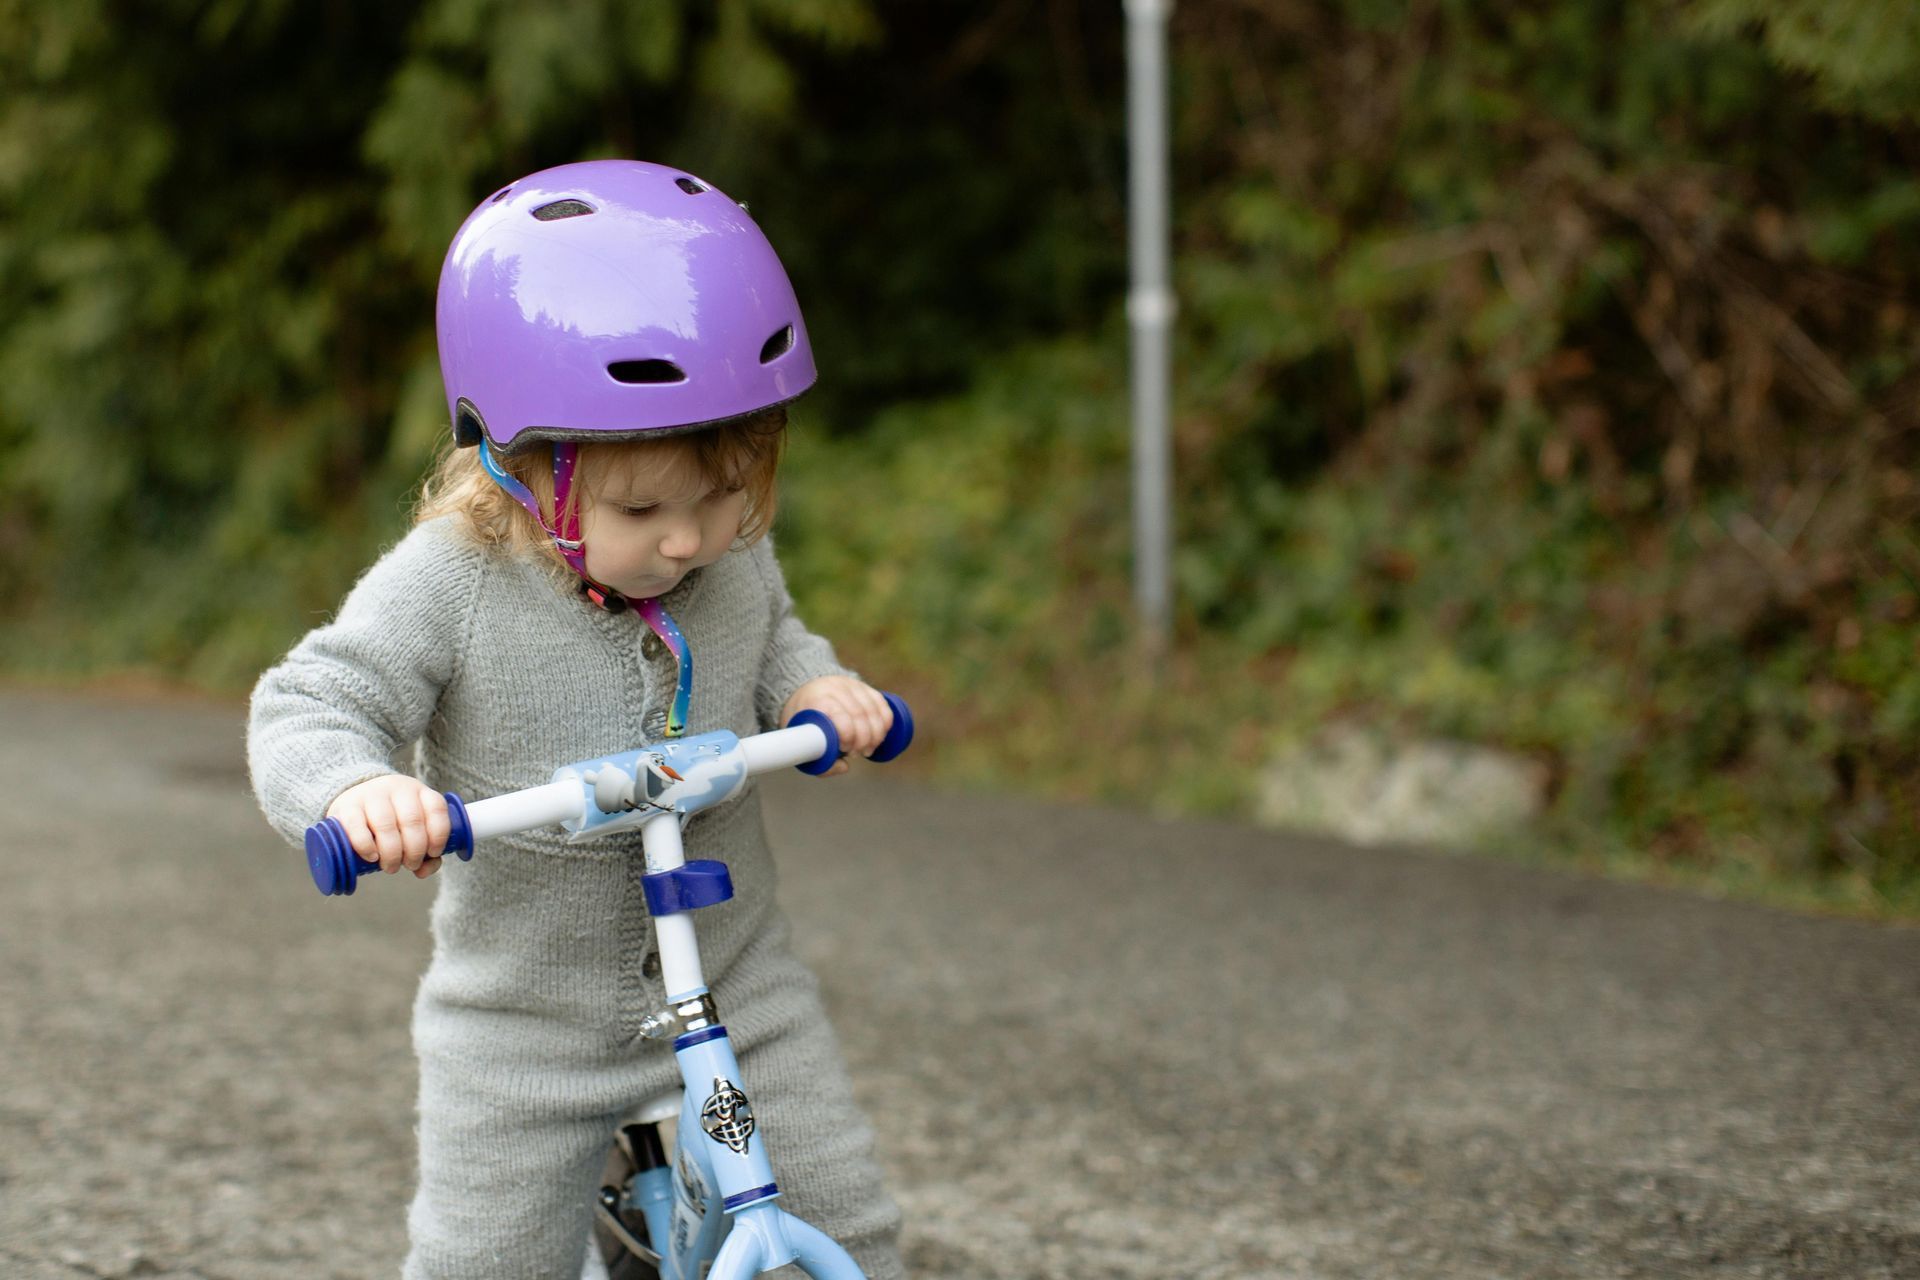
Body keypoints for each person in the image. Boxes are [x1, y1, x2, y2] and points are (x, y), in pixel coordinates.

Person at [247, 159, 905, 1280]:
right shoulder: (452, 581)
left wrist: (815, 690)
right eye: (644, 507)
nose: (694, 538)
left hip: (738, 988)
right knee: (484, 1262)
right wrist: (358, 787)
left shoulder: (729, 558)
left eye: (730, 487)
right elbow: (313, 700)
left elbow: (781, 637)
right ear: (518, 465)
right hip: (526, 1033)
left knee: (847, 1222)